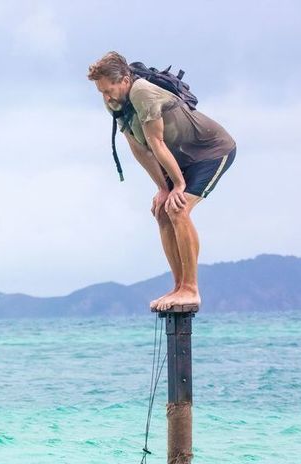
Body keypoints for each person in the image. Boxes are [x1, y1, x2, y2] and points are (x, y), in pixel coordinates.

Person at [88, 52, 236, 311]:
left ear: (124, 79)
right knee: (162, 211)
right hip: (179, 159)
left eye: (109, 90)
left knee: (178, 209)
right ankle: (179, 287)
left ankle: (191, 289)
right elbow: (140, 149)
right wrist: (162, 188)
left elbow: (155, 143)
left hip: (211, 151)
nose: (106, 97)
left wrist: (177, 187)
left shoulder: (142, 92)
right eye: (101, 92)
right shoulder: (114, 103)